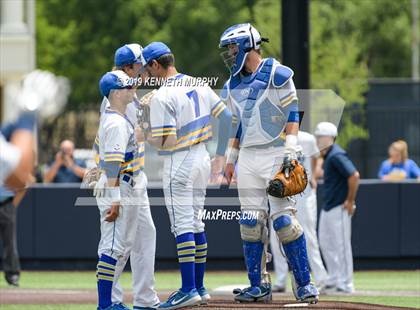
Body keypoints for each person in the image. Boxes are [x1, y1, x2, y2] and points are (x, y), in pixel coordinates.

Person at [219, 23, 318, 303]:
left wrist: (291, 149)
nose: (229, 53)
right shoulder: (231, 85)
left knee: (285, 222)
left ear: (248, 46)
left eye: (233, 48)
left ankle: (305, 283)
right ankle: (258, 285)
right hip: (248, 156)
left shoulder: (278, 73)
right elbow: (236, 126)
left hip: (275, 152)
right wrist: (230, 161)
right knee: (250, 222)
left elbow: (292, 114)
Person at [141, 41, 232, 309]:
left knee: (182, 226)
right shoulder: (198, 82)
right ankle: (200, 288)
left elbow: (166, 141)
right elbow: (226, 117)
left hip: (179, 159)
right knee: (196, 223)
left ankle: (188, 288)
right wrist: (220, 156)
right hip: (203, 156)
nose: (146, 75)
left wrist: (146, 131)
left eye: (148, 68)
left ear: (156, 65)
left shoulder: (161, 95)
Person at [93, 43, 160, 310]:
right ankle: (110, 301)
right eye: (140, 66)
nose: (143, 71)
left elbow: (141, 134)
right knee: (116, 243)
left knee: (144, 236)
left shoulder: (131, 97)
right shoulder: (117, 99)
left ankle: (144, 299)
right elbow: (131, 138)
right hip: (117, 178)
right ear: (128, 68)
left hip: (134, 176)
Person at [269, 131, 328, 292]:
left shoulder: (307, 139)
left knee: (308, 235)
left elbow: (316, 157)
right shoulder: (271, 137)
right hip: (280, 194)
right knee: (276, 235)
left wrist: (313, 177)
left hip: (303, 194)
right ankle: (281, 280)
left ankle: (321, 277)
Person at [314, 122, 360, 294]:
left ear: (330, 138)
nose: (318, 140)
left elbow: (354, 176)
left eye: (320, 137)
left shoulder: (336, 155)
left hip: (339, 207)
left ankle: (346, 283)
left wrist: (350, 201)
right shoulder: (328, 156)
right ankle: (334, 279)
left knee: (341, 245)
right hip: (328, 207)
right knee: (325, 243)